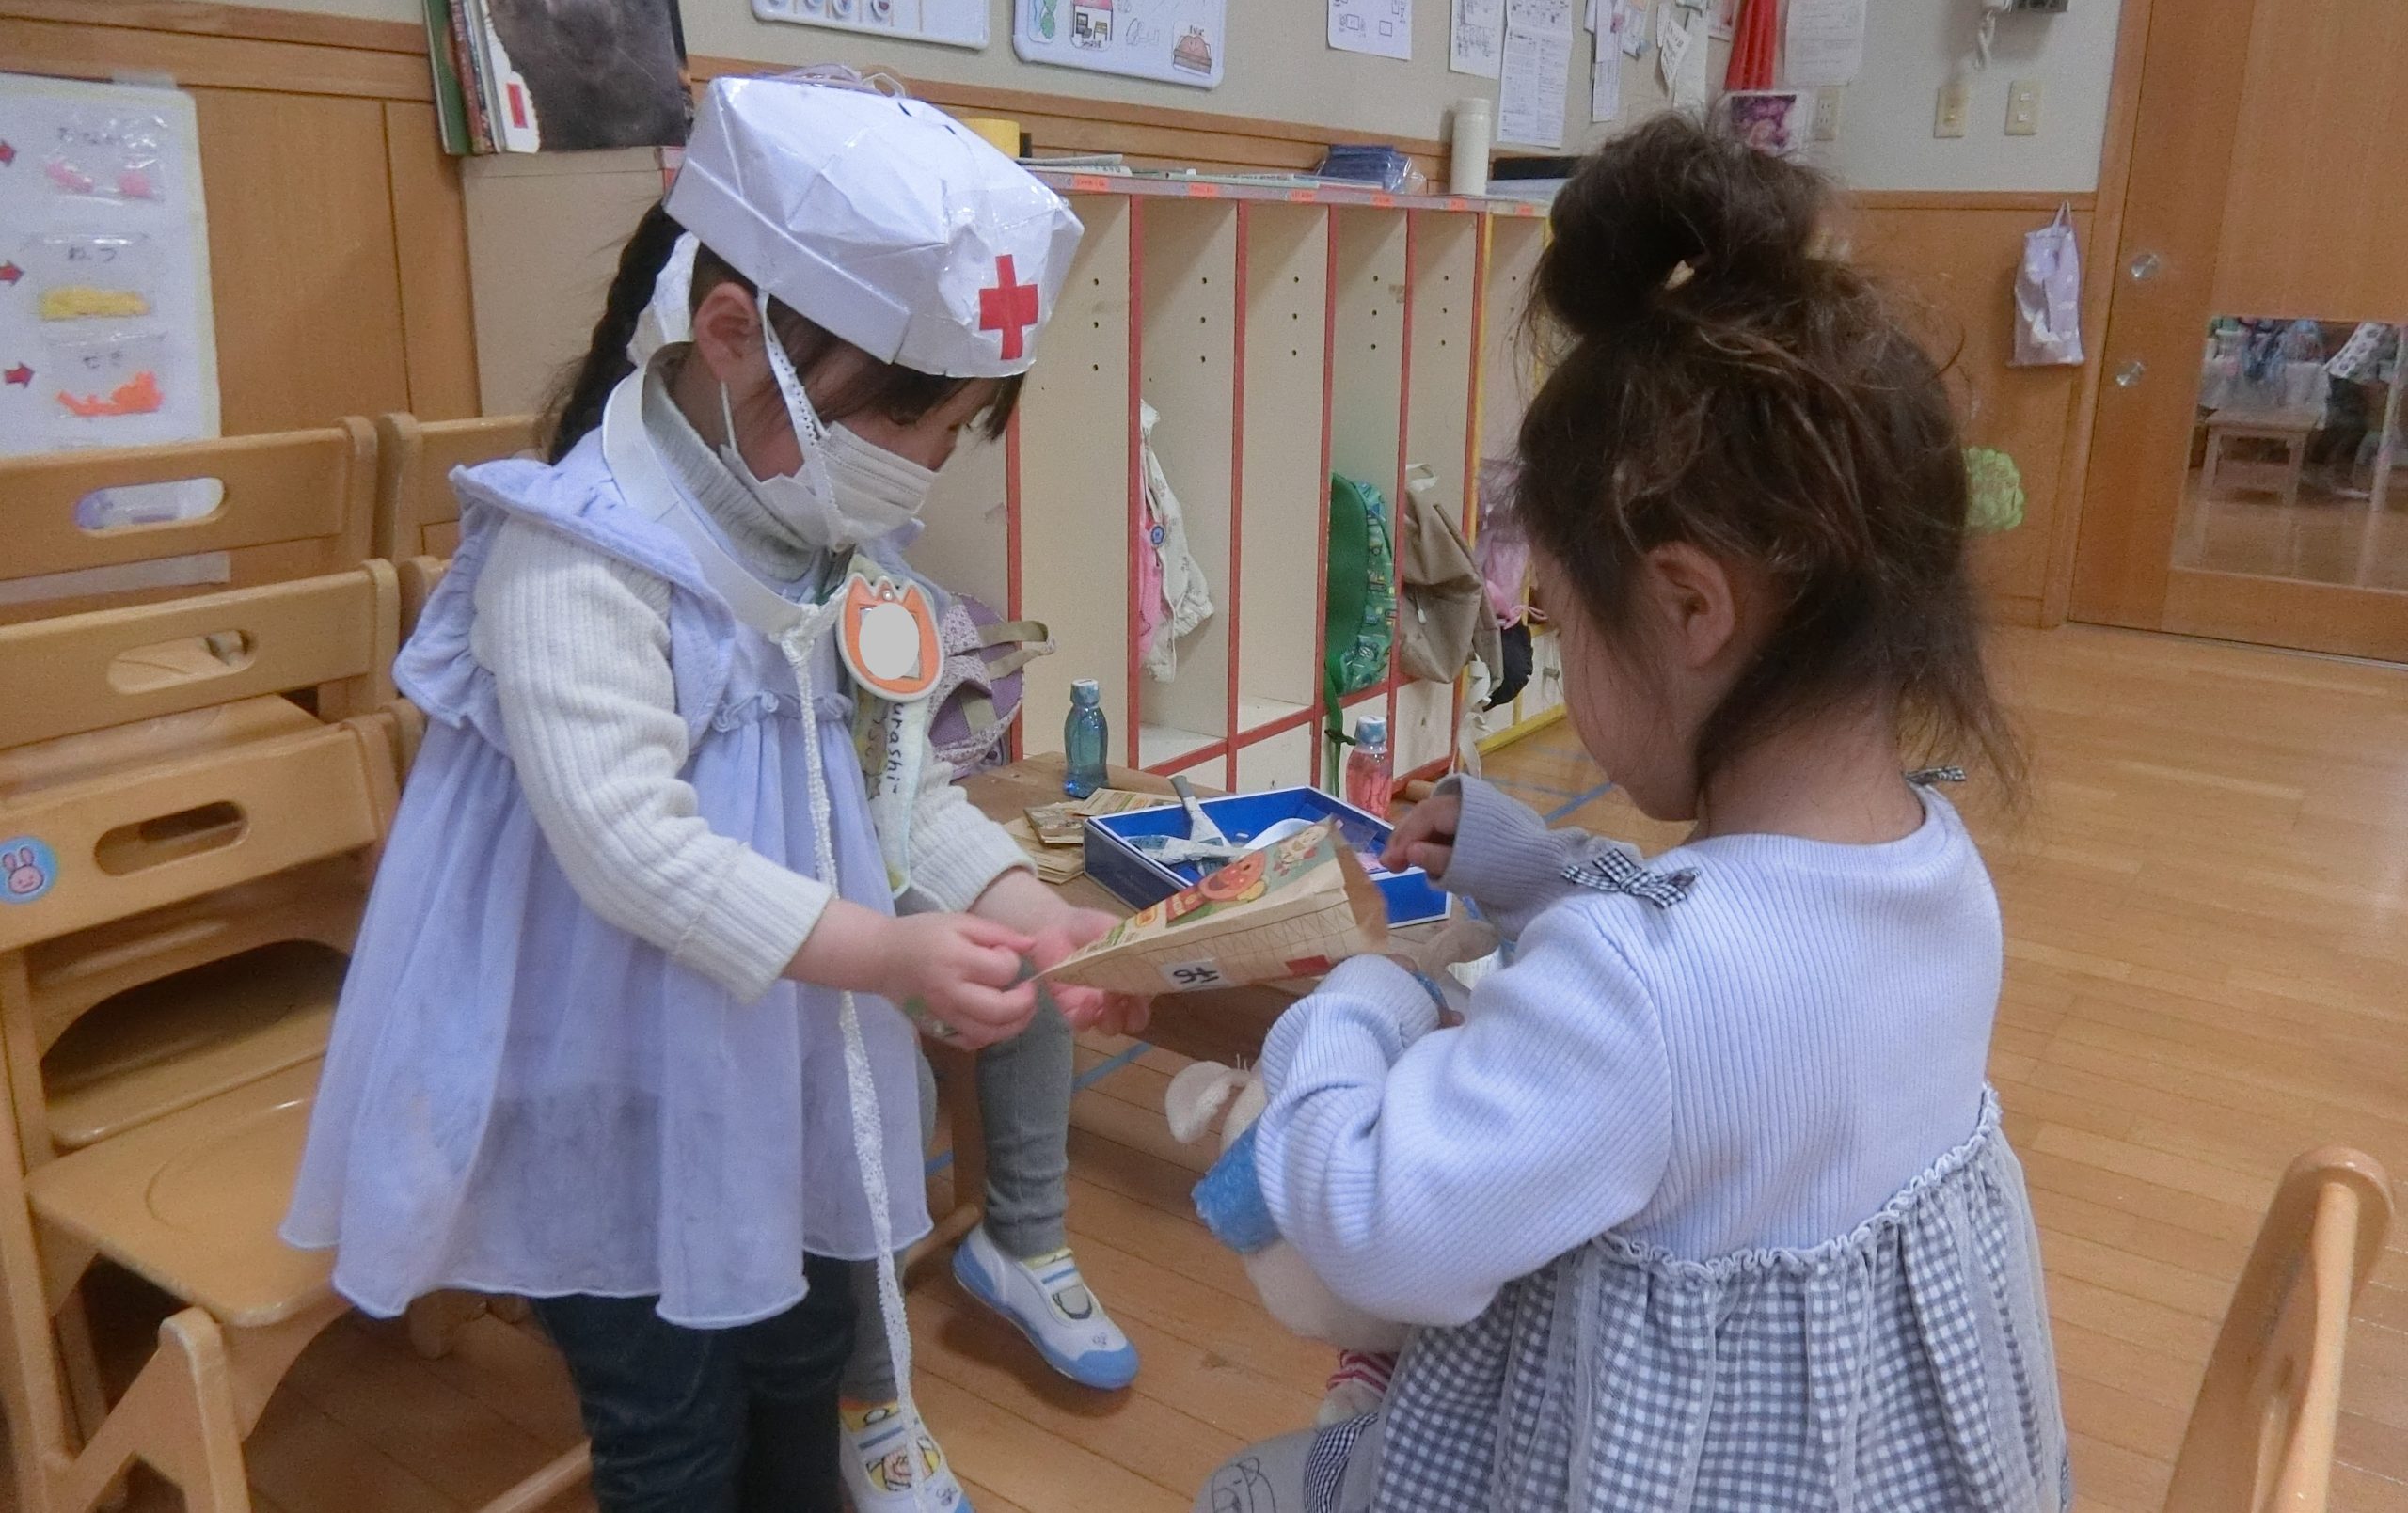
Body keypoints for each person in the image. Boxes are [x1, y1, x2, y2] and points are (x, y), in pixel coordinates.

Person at [285, 73, 1144, 1513]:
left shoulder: (816, 539)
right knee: (673, 1430)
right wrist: (891, 952)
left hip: (772, 1055)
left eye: (955, 436)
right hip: (608, 1082)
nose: (927, 468)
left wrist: (1022, 907)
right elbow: (631, 848)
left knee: (804, 1355)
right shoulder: (579, 555)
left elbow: (889, 784)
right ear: (736, 335)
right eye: (911, 424)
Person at [1192, 114, 2068, 1512]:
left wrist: (1366, 991)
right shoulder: (1937, 871)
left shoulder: (1634, 999)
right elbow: (1737, 977)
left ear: (1687, 604)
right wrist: (1533, 867)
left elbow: (1373, 1222)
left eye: (1559, 616)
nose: (1558, 653)